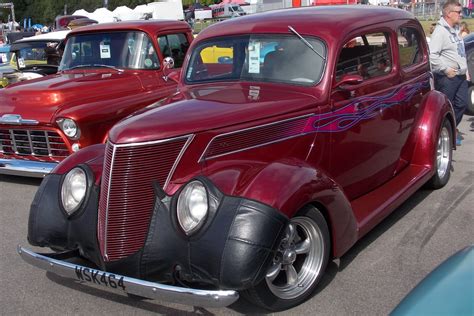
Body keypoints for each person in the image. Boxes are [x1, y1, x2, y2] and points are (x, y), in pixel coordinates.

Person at [429, 0, 468, 145]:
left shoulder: (456, 30)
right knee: (446, 108)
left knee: (462, 104)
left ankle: (451, 129)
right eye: (458, 12)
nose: (461, 14)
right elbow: (433, 55)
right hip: (448, 77)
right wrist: (446, 69)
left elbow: (461, 52)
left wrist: (466, 70)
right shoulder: (440, 32)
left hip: (461, 76)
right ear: (448, 14)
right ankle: (441, 135)